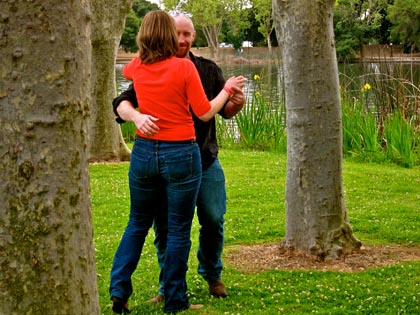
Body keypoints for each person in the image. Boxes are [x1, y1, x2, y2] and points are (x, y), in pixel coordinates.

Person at [109, 10, 246, 315]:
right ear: (170, 35)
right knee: (179, 229)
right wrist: (226, 90)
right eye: (177, 33)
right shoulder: (184, 68)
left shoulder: (139, 65)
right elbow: (205, 112)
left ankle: (119, 290)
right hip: (181, 154)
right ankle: (174, 298)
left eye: (187, 33)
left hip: (145, 154)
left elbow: (129, 73)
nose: (182, 38)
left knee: (137, 223)